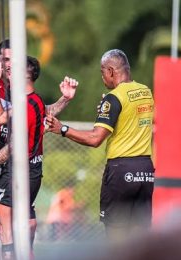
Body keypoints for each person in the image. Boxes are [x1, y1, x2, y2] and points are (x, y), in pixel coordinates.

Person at [0, 39, 78, 260]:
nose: (8, 65)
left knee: (23, 226)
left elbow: (40, 113)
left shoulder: (23, 90)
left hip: (14, 163)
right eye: (5, 59)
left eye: (13, 61)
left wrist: (64, 99)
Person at [46, 49, 154, 239]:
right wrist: (109, 112)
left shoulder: (113, 98)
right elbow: (130, 117)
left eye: (102, 72)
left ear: (111, 71)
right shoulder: (145, 91)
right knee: (140, 241)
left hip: (121, 171)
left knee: (116, 240)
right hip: (145, 171)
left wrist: (62, 129)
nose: (102, 77)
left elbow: (95, 139)